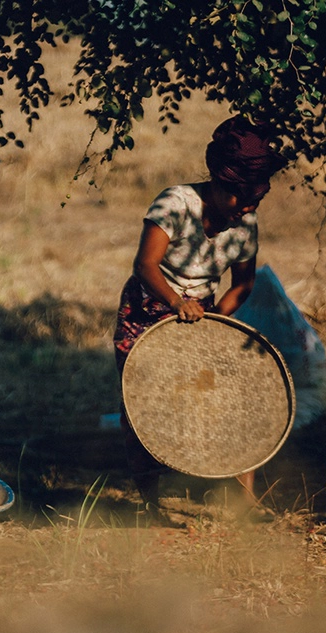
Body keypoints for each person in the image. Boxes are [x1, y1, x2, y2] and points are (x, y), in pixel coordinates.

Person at [113, 115, 287, 526]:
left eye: (255, 202)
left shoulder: (244, 223)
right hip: (147, 312)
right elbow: (145, 265)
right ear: (220, 186)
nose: (247, 208)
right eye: (242, 199)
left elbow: (242, 285)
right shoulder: (175, 204)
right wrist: (177, 302)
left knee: (231, 399)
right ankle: (152, 506)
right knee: (146, 407)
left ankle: (245, 500)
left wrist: (214, 322)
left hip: (201, 316)